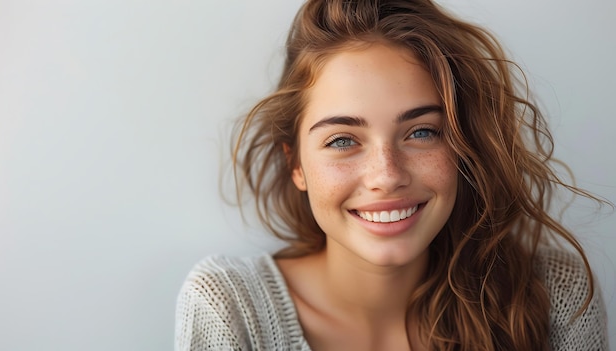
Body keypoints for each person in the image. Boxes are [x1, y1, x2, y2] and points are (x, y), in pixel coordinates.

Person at [175, 0, 609, 350]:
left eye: (421, 132)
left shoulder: (552, 294)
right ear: (295, 164)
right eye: (343, 140)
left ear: (463, 145)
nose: (386, 176)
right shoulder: (228, 307)